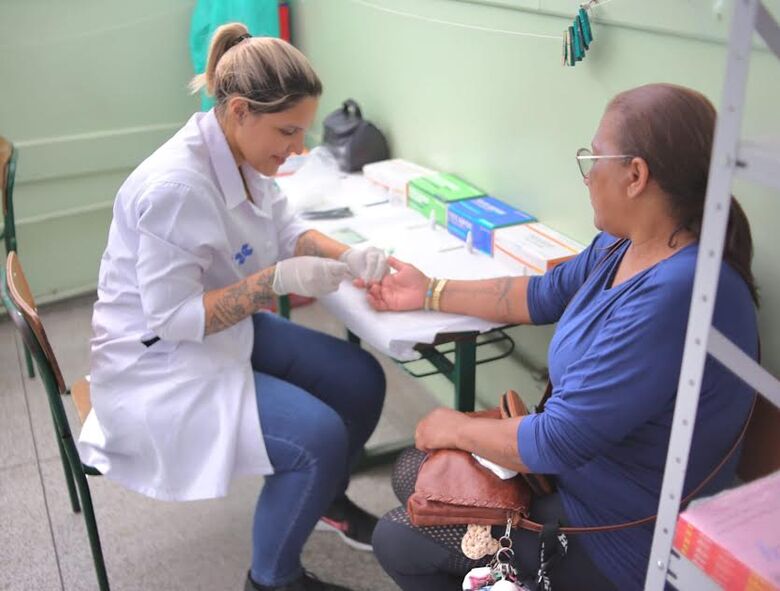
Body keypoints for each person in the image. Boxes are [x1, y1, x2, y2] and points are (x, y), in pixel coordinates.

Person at [362, 83, 759, 590]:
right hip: (579, 483)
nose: (589, 174)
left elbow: (555, 440)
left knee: (399, 536)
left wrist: (455, 427)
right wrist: (430, 291)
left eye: (594, 157)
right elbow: (541, 294)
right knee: (415, 473)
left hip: (623, 537)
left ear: (636, 175)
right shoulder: (626, 243)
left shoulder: (677, 293)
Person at [77, 23, 388, 591]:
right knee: (316, 439)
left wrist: (355, 258)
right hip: (159, 365)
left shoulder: (241, 152)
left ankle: (322, 499)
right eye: (288, 131)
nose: (298, 148)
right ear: (241, 110)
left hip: (222, 331)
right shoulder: (176, 187)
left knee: (360, 377)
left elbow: (288, 228)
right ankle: (272, 580)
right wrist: (273, 281)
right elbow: (174, 320)